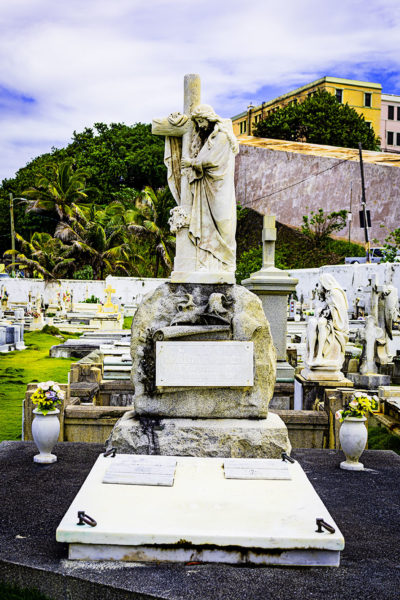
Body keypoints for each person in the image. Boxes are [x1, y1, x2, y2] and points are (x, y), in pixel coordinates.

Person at [180, 104, 239, 273]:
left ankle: (226, 262)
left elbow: (212, 161)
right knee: (211, 223)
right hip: (208, 186)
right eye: (197, 122)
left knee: (223, 221)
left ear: (209, 118)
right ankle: (210, 260)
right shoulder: (210, 138)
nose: (199, 125)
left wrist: (191, 162)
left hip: (220, 187)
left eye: (201, 121)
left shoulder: (221, 136)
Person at [305, 274, 349, 367]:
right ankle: (311, 354)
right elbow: (323, 305)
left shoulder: (335, 292)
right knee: (312, 322)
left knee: (321, 322)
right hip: (326, 318)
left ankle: (320, 355)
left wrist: (328, 312)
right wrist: (320, 310)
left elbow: (340, 311)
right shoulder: (326, 293)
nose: (319, 286)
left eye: (320, 283)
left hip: (335, 323)